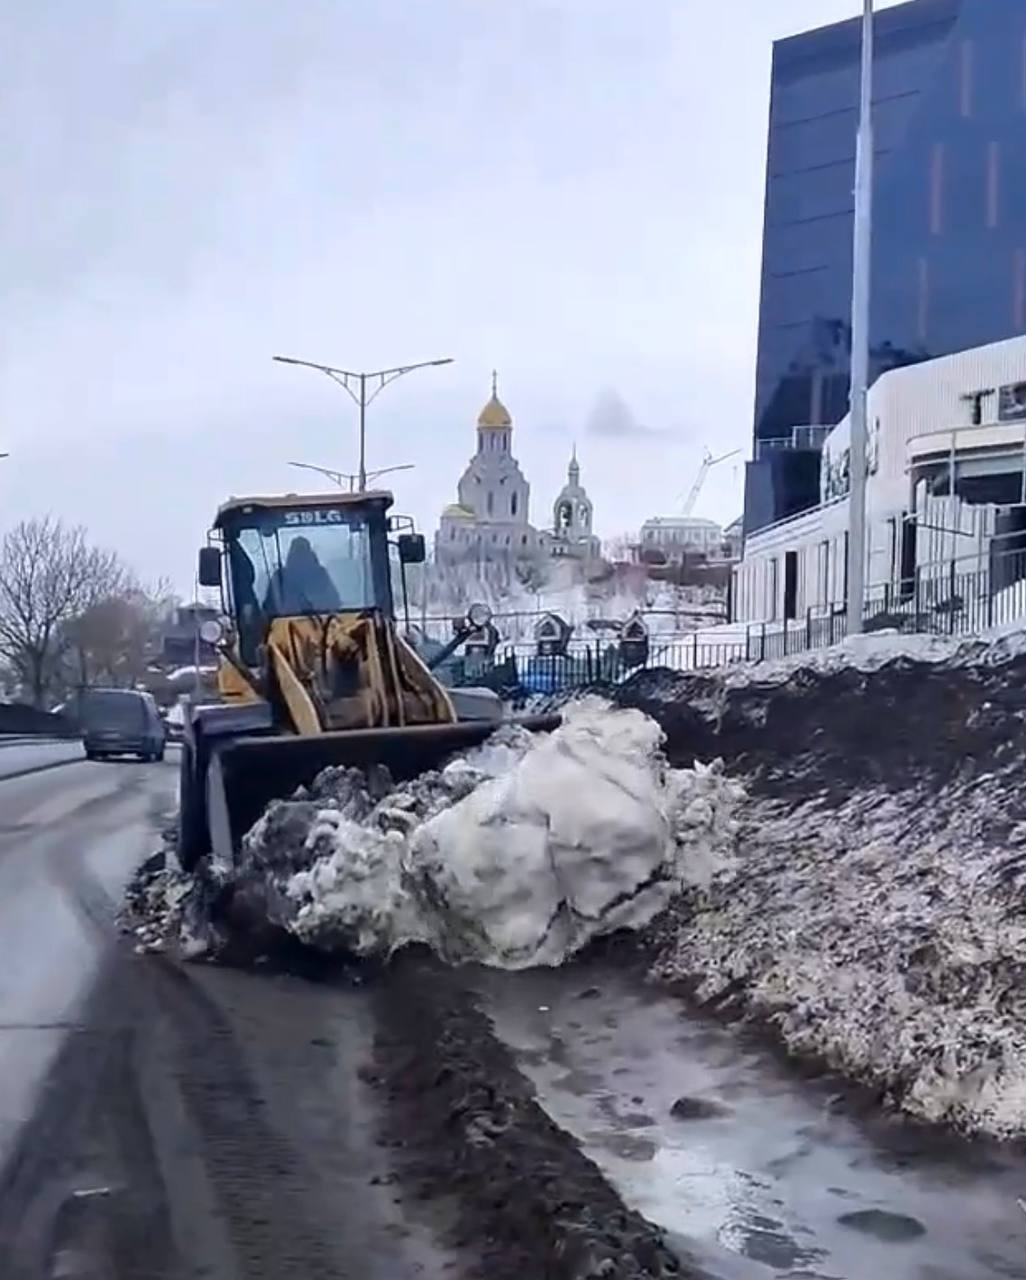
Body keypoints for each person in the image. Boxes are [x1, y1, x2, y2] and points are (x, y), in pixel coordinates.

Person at [264, 535, 342, 615]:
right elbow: (269, 609)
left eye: (302, 551)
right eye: (297, 552)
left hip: (323, 623)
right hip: (284, 624)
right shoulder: (279, 577)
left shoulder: (320, 574)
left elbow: (334, 603)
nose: (300, 556)